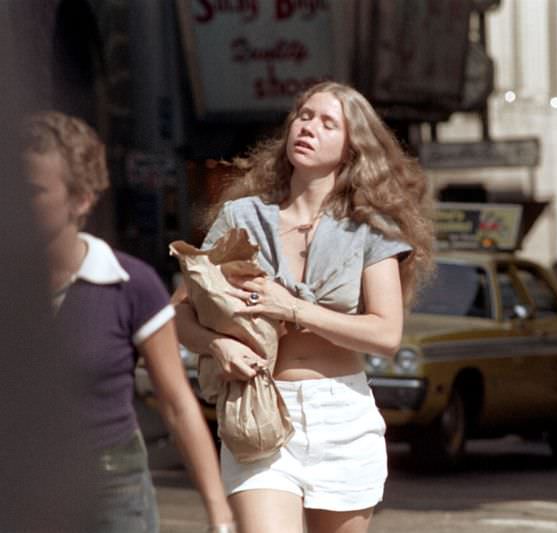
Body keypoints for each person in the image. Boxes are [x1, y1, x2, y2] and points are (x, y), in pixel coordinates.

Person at [173, 81, 434, 533]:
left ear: (352, 149)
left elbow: (386, 336)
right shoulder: (242, 218)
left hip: (341, 416)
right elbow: (179, 313)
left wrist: (292, 308)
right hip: (262, 410)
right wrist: (218, 347)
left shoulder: (371, 229)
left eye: (327, 122)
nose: (308, 127)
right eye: (304, 116)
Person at [22, 111, 235, 533]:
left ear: (81, 199)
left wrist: (219, 514)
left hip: (112, 486)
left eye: (32, 192)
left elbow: (176, 404)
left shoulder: (130, 284)